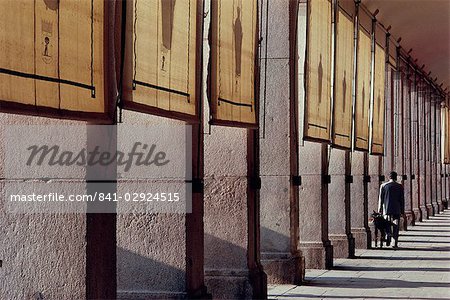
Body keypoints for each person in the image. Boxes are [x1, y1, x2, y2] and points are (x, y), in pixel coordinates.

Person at [378, 171, 405, 248]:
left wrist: (379, 209)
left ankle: (388, 235)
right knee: (396, 225)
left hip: (386, 209)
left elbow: (381, 199)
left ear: (389, 177)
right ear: (396, 177)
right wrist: (402, 210)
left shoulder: (383, 186)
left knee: (387, 223)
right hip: (396, 209)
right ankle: (394, 242)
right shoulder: (400, 186)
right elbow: (401, 199)